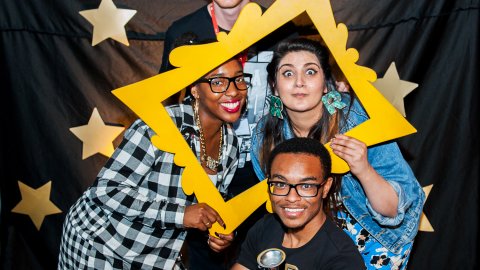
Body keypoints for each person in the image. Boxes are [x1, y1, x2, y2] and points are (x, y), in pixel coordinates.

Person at [58, 49, 250, 269]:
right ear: (195, 89)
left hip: (156, 256)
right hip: (100, 245)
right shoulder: (160, 126)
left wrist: (218, 233)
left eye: (239, 79)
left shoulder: (231, 145)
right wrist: (181, 215)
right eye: (218, 82)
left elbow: (211, 204)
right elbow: (106, 191)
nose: (233, 91)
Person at [250, 37, 425, 269]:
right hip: (313, 239)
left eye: (310, 72)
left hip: (375, 240)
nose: (299, 82)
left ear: (325, 84)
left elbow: (392, 210)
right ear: (274, 84)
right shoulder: (265, 135)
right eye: (288, 74)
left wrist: (363, 169)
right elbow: (278, 203)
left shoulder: (357, 120)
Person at [160, 1, 298, 269]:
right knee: (207, 255)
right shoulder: (184, 30)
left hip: (266, 170)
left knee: (265, 254)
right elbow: (167, 100)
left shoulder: (279, 26)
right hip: (208, 165)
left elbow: (301, 83)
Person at [233, 137, 365, 269]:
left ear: (325, 188)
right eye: (280, 184)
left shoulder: (341, 259)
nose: (291, 198)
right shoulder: (265, 227)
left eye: (306, 186)